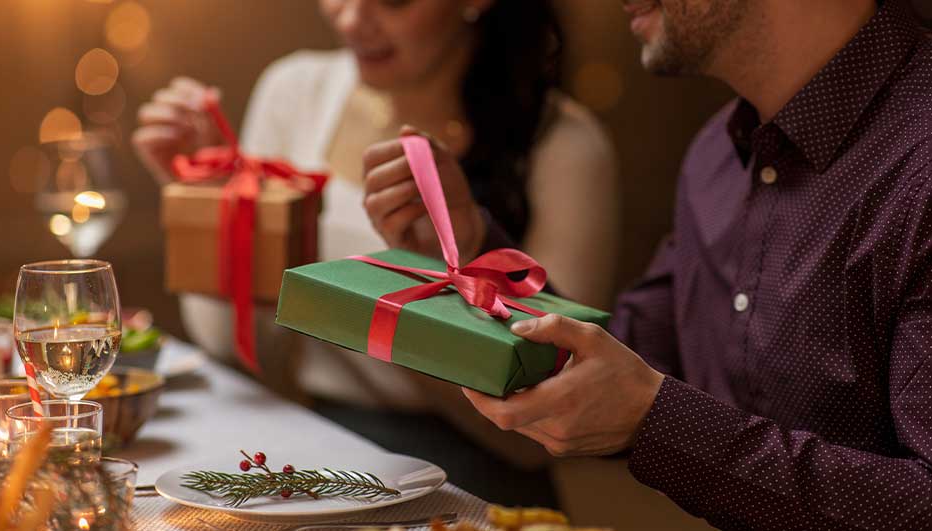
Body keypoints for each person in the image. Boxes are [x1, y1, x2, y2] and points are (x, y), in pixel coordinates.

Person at [362, 0, 932, 528]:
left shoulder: (918, 161)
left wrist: (656, 420)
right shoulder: (717, 157)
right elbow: (623, 362)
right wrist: (474, 248)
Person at [132, 0, 618, 505]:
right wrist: (213, 210)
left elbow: (544, 431)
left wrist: (417, 281)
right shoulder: (296, 92)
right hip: (319, 447)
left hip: (482, 473)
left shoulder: (565, 145)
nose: (350, 19)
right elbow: (244, 355)